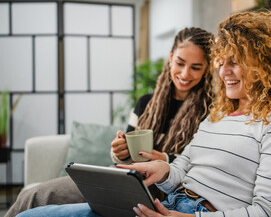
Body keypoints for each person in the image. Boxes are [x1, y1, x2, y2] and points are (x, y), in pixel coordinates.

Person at [16, 10, 271, 217]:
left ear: (266, 64)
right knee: (36, 210)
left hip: (186, 211)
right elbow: (184, 166)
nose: (224, 72)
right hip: (167, 200)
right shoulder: (219, 116)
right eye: (221, 63)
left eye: (234, 62)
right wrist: (165, 170)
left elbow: (270, 210)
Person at [6, 27, 214, 217]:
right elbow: (124, 153)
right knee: (33, 196)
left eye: (196, 67)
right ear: (170, 57)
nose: (185, 74)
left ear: (207, 68)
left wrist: (166, 159)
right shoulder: (146, 103)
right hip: (122, 176)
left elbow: (202, 165)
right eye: (180, 63)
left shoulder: (212, 110)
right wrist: (119, 150)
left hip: (157, 189)